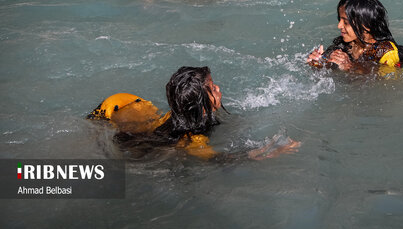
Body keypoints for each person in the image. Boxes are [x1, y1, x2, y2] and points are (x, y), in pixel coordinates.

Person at [87, 66, 299, 160]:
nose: (219, 90)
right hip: (135, 148)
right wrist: (270, 152)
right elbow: (220, 160)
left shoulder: (177, 114)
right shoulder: (194, 138)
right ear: (201, 106)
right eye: (214, 88)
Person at [307, 0, 403, 73]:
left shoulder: (386, 52)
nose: (339, 26)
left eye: (346, 22)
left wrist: (350, 68)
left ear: (366, 26)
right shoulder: (345, 44)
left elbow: (386, 88)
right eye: (340, 19)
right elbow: (329, 66)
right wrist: (319, 63)